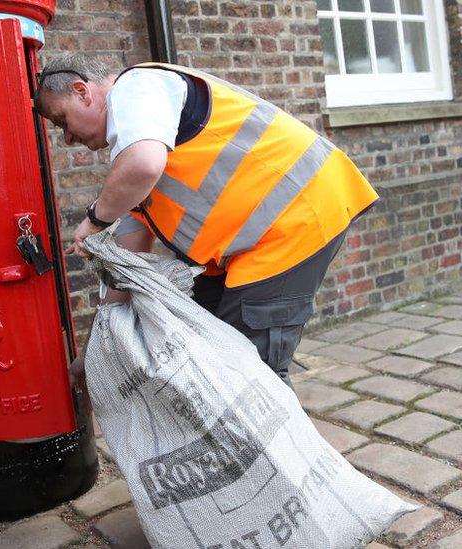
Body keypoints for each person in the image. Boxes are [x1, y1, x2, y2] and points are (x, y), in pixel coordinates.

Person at [34, 53, 378, 388]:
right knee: (203, 356)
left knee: (249, 379)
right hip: (255, 243)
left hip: (296, 220)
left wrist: (94, 221)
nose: (67, 138)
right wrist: (94, 350)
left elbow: (143, 164)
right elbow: (127, 265)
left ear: (82, 91)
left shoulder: (135, 88)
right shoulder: (138, 151)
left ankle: (283, 448)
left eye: (62, 120)